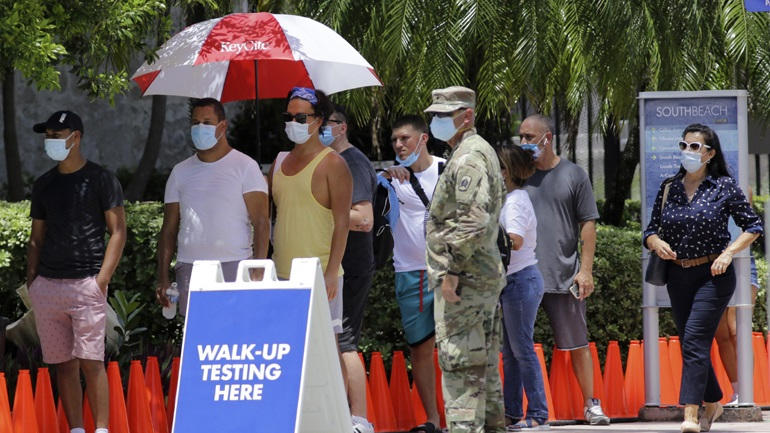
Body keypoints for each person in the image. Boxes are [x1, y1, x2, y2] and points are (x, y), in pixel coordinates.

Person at [643, 123, 762, 433]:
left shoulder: (724, 186)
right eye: (684, 145)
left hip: (714, 274)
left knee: (695, 339)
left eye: (695, 147)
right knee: (690, 343)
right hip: (677, 275)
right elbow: (650, 230)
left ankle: (691, 414)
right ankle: (714, 402)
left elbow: (753, 226)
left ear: (709, 153)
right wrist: (655, 242)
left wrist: (728, 253)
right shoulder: (669, 187)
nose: (687, 152)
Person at [27, 110, 127, 433]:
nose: (51, 141)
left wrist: (102, 281)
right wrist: (33, 282)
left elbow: (119, 231)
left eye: (58, 135)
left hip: (87, 284)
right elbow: (36, 238)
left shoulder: (101, 179)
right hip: (48, 288)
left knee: (92, 363)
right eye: (48, 136)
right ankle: (75, 429)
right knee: (63, 365)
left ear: (76, 137)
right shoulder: (43, 185)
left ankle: (101, 429)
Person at [268, 87, 353, 427]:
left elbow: (343, 222)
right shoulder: (277, 161)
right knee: (287, 352)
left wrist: (332, 271)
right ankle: (298, 420)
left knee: (328, 351)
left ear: (318, 121)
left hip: (320, 273)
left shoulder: (334, 163)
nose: (293, 123)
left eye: (300, 117)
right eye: (288, 117)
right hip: (281, 274)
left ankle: (339, 421)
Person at [424, 86, 506, 433]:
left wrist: (453, 269)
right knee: (482, 370)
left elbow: (474, 220)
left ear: (466, 116)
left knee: (460, 371)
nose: (437, 122)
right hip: (478, 280)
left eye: (445, 116)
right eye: (434, 116)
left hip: (466, 283)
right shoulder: (473, 151)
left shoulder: (469, 156)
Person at [518, 114, 608, 426]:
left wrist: (585, 271)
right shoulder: (518, 176)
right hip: (521, 277)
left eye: (530, 137)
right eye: (522, 137)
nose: (525, 143)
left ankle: (591, 404)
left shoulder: (574, 174)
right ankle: (515, 409)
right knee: (517, 346)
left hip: (563, 275)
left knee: (578, 343)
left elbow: (588, 224)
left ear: (548, 137)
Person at [156, 98, 269, 316]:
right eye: (196, 123)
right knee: (197, 337)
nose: (200, 128)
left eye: (207, 122)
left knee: (237, 336)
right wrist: (162, 275)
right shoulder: (180, 171)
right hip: (190, 269)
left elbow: (262, 222)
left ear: (223, 126)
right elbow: (168, 229)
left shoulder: (245, 166)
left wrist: (258, 268)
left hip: (235, 266)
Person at [380, 114, 446, 433]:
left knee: (459, 346)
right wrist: (383, 171)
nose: (399, 144)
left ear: (423, 139)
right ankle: (433, 419)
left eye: (405, 138)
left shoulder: (449, 170)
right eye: (395, 140)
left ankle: (466, 416)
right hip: (411, 273)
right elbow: (363, 185)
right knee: (420, 348)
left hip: (451, 274)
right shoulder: (392, 178)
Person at [321, 104, 377, 433]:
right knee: (335, 341)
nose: (317, 129)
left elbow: (364, 219)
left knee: (345, 343)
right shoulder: (335, 161)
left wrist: (320, 213)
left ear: (342, 128)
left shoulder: (352, 162)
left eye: (324, 123)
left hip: (352, 266)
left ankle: (358, 419)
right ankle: (341, 416)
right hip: (340, 265)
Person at [496, 144, 549, 430]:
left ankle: (538, 415)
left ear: (505, 172)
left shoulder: (515, 201)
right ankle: (513, 413)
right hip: (514, 281)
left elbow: (514, 240)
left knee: (522, 350)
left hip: (519, 280)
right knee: (511, 352)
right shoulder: (511, 198)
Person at [714, 188, 760, 406]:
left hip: (740, 260)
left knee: (736, 329)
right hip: (711, 262)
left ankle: (746, 394)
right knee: (721, 334)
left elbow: (748, 217)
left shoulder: (736, 181)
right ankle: (737, 392)